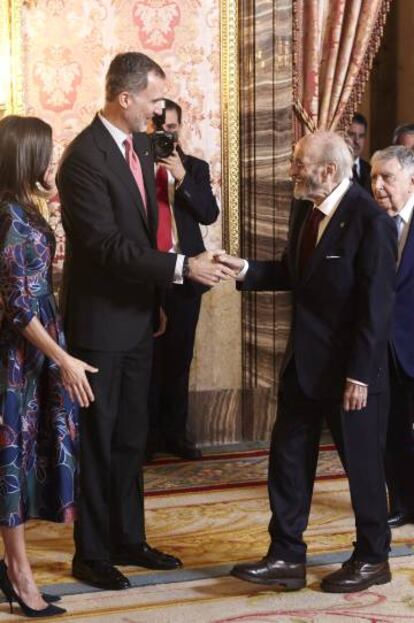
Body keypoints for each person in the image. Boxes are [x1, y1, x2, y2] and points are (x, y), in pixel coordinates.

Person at [56, 52, 232, 591]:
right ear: (125, 98)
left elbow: (143, 235)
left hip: (136, 318)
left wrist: (157, 298)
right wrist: (182, 267)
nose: (161, 111)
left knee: (132, 437)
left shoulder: (136, 148)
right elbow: (108, 247)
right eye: (156, 100)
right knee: (99, 439)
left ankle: (130, 539)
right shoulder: (83, 158)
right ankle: (91, 552)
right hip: (99, 326)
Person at [217, 131, 397, 593]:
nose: (292, 170)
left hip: (352, 375)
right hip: (304, 364)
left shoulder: (369, 220)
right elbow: (292, 273)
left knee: (362, 468)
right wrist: (245, 270)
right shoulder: (306, 209)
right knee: (289, 459)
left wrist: (360, 374)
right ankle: (285, 556)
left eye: (298, 163)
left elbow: (375, 309)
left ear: (328, 171)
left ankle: (374, 557)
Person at [0, 115, 96, 617]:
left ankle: (13, 567)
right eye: (46, 149)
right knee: (9, 465)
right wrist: (64, 359)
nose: (52, 157)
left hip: (34, 352)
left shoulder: (23, 209)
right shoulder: (11, 217)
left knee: (19, 462)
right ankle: (19, 574)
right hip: (16, 358)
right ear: (25, 155)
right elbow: (16, 306)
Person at [147, 99, 219, 460]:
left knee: (179, 359)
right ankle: (147, 440)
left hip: (187, 277)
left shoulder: (194, 168)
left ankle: (175, 435)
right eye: (160, 128)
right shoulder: (134, 168)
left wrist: (181, 177)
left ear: (180, 129)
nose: (166, 134)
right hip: (146, 275)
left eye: (172, 128)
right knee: (146, 360)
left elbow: (208, 214)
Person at [371, 146, 414, 528]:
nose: (378, 186)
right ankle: (401, 501)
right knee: (392, 430)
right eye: (373, 177)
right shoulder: (371, 224)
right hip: (384, 347)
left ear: (412, 181)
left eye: (387, 177)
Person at [348, 113, 372, 192]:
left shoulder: (370, 170)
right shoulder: (334, 170)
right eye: (351, 135)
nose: (357, 141)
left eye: (361, 136)